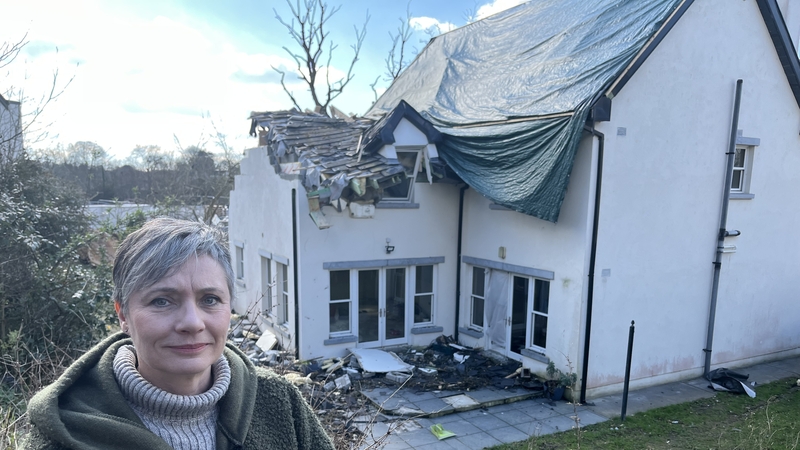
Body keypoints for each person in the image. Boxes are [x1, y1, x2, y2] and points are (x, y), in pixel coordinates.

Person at [25, 218, 334, 450]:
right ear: (123, 315)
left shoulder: (279, 402)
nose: (192, 322)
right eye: (162, 301)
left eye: (209, 300)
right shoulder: (61, 435)